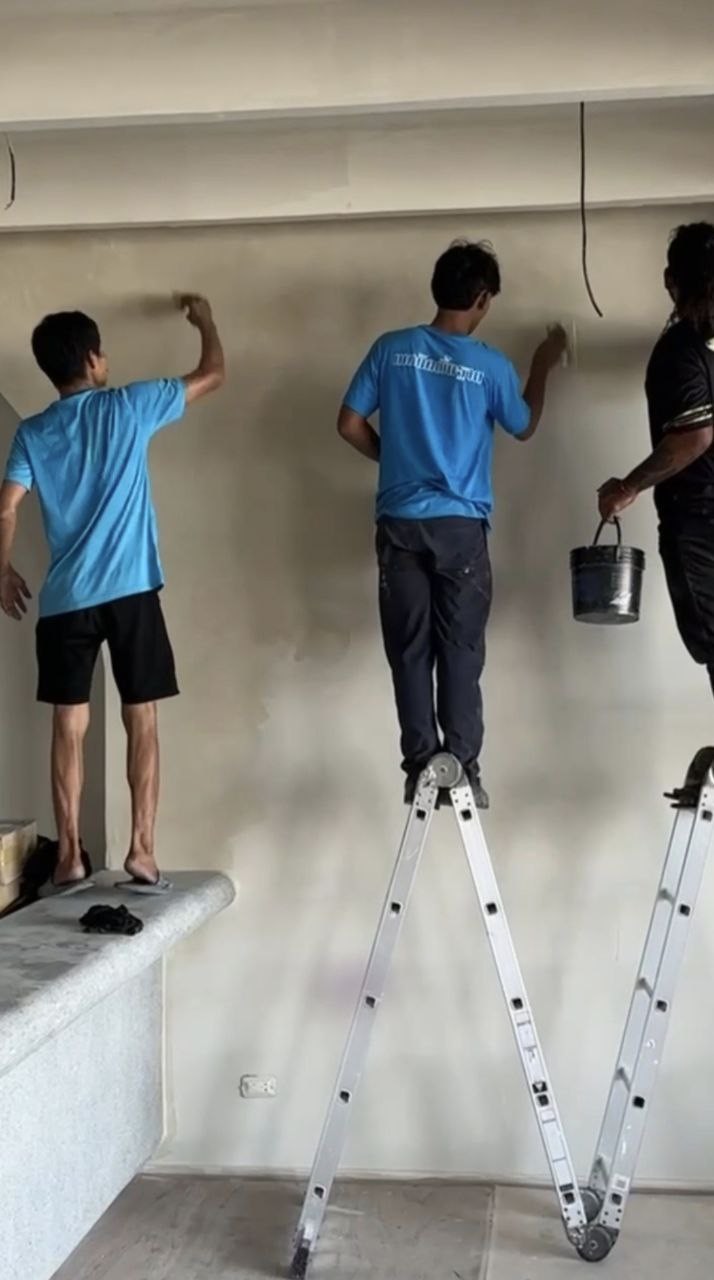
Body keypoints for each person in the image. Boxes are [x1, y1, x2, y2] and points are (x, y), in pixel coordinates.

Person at [0, 296, 224, 891]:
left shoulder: (32, 433)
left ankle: (70, 857)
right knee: (141, 718)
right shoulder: (128, 405)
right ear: (94, 360)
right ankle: (142, 851)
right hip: (131, 593)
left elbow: (6, 508)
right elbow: (212, 375)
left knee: (68, 726)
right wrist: (204, 320)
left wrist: (2, 569)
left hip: (66, 600)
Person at [338, 240, 567, 805]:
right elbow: (524, 425)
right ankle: (462, 768)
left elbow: (348, 423)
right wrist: (543, 362)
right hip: (460, 529)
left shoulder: (391, 349)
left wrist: (393, 459)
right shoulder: (490, 365)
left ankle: (421, 767)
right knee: (460, 650)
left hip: (399, 524)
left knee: (409, 650)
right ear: (483, 298)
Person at [599, 222, 714, 691]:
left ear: (671, 279)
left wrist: (628, 487)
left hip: (702, 523)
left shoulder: (681, 350)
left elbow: (694, 437)